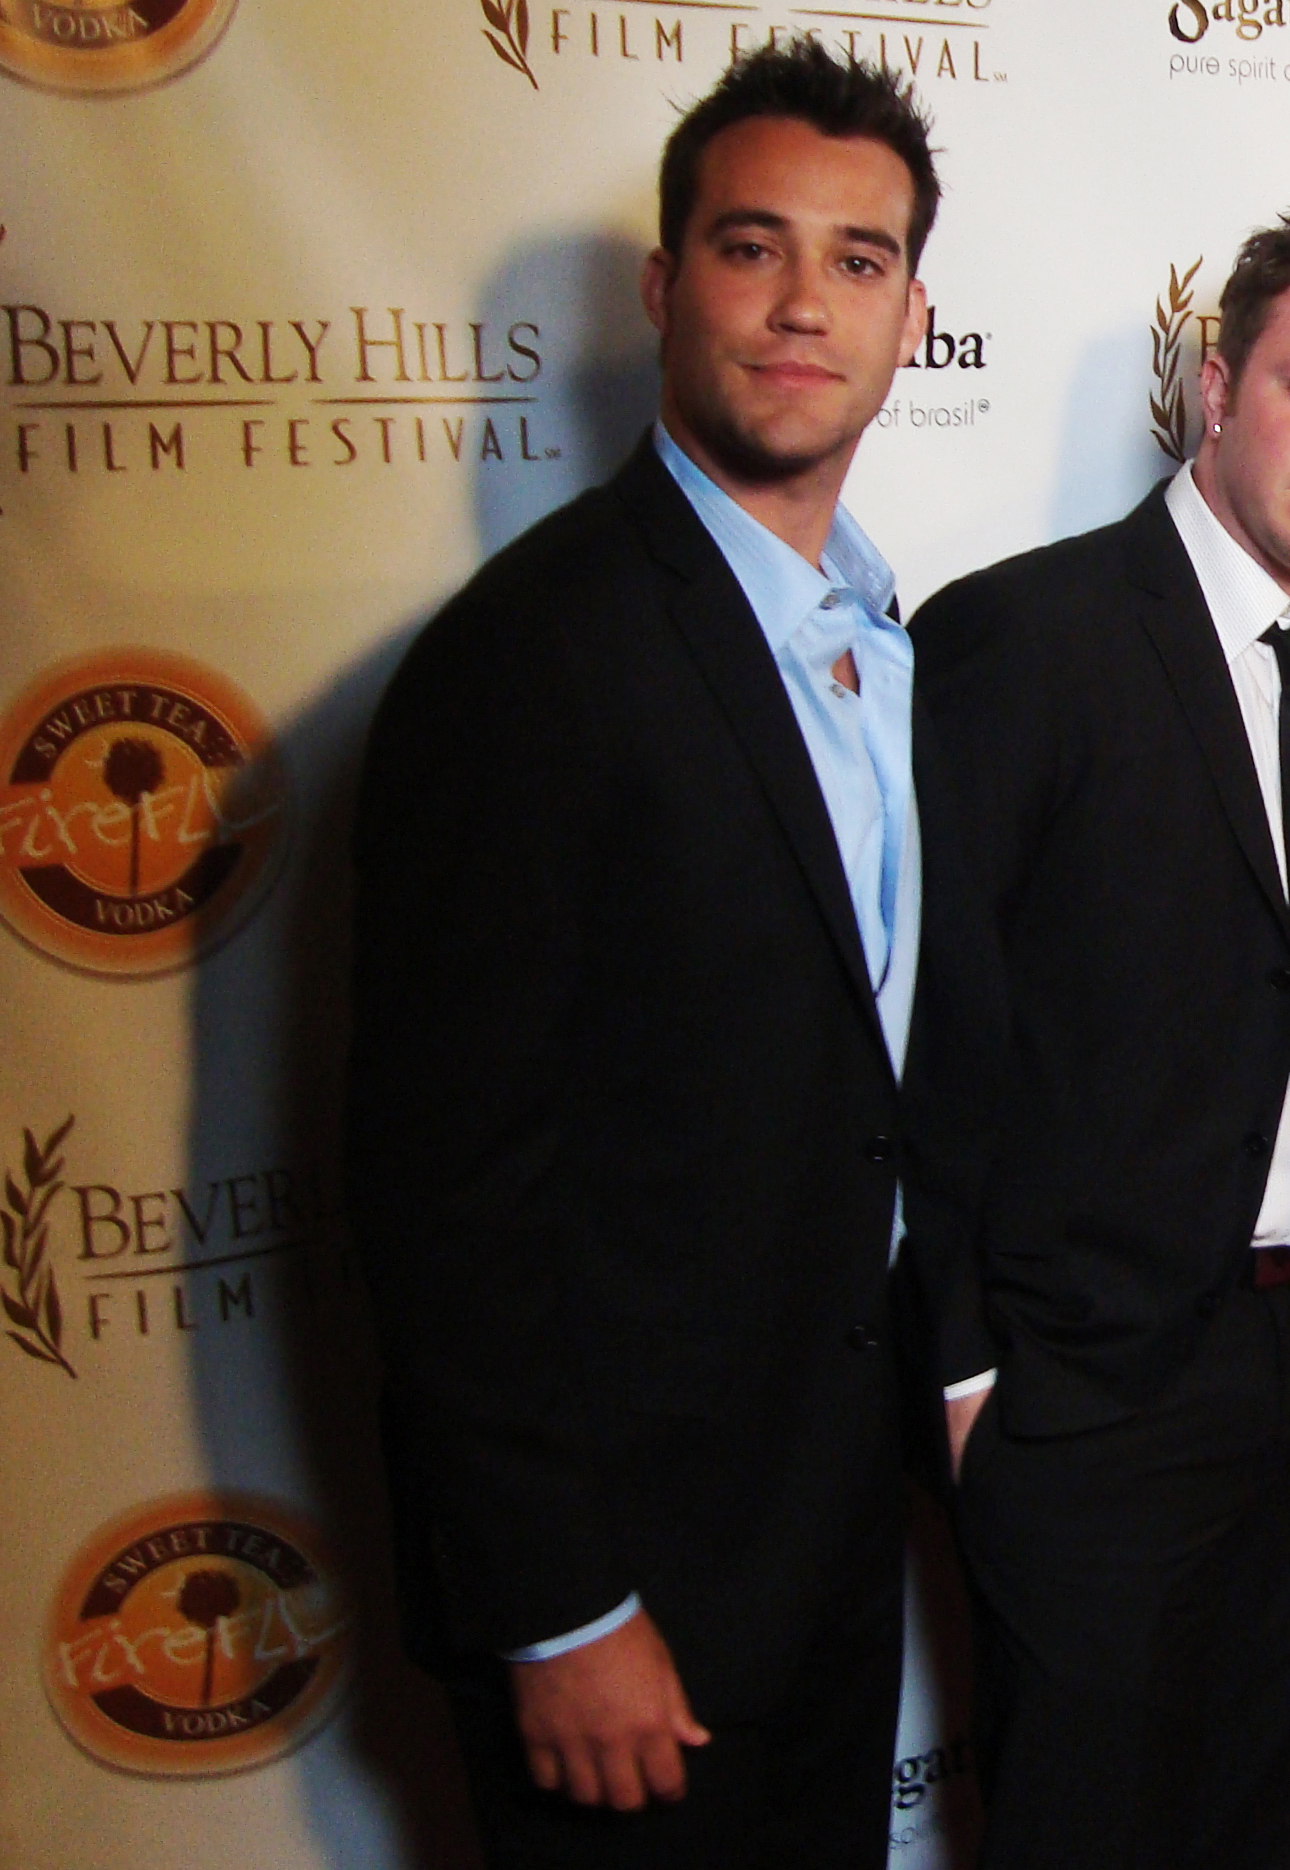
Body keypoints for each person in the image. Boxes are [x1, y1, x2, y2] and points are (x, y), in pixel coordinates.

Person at [346, 43, 985, 1869]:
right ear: (662, 284)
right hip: (627, 1584)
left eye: (859, 263)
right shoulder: (528, 662)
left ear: (914, 315)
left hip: (828, 1522)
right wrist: (556, 1605)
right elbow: (440, 1186)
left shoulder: (892, 643)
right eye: (750, 248)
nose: (804, 306)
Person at [906, 198, 1290, 1870]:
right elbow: (936, 1038)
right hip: (1091, 1384)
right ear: (1217, 388)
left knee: (1264, 1815)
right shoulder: (1021, 638)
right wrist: (964, 1376)